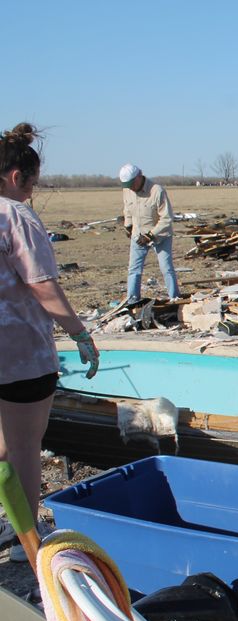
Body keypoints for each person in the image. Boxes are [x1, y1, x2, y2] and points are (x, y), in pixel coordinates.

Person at [1, 123, 99, 559]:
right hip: (20, 353)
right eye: (33, 185)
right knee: (23, 447)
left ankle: (13, 523)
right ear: (17, 177)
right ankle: (26, 540)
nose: (32, 194)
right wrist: (79, 333)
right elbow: (42, 286)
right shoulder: (16, 216)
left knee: (2, 445)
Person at [119, 163, 180, 304]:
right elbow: (127, 209)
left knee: (166, 268)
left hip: (160, 236)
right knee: (134, 270)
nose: (130, 188)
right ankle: (132, 300)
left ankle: (174, 298)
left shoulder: (157, 191)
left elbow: (167, 219)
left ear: (139, 176)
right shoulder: (127, 190)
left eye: (132, 184)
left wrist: (150, 235)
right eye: (127, 185)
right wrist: (128, 225)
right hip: (138, 236)